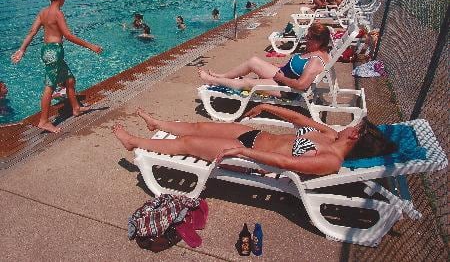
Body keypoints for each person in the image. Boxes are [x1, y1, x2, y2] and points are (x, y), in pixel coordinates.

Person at [113, 106, 397, 176]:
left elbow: (286, 162)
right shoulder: (330, 135)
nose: (350, 125)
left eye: (354, 126)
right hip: (253, 137)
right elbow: (300, 120)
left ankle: (134, 142)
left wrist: (243, 153)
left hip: (248, 152)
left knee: (188, 143)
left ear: (356, 136)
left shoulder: (331, 161)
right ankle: (157, 124)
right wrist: (265, 107)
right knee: (200, 125)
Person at [11, 0, 102, 133]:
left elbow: (32, 31)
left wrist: (22, 49)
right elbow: (68, 35)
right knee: (50, 86)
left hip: (47, 50)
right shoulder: (58, 13)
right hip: (54, 52)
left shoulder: (43, 12)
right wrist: (90, 46)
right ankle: (44, 121)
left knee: (70, 80)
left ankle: (76, 108)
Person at [198, 23, 331, 96]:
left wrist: (281, 79)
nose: (306, 40)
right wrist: (280, 67)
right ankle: (223, 76)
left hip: (286, 87)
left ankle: (212, 80)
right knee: (253, 61)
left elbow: (302, 85)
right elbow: (299, 68)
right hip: (282, 75)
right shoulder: (317, 50)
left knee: (248, 82)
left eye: (309, 38)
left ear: (319, 41)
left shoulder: (315, 61)